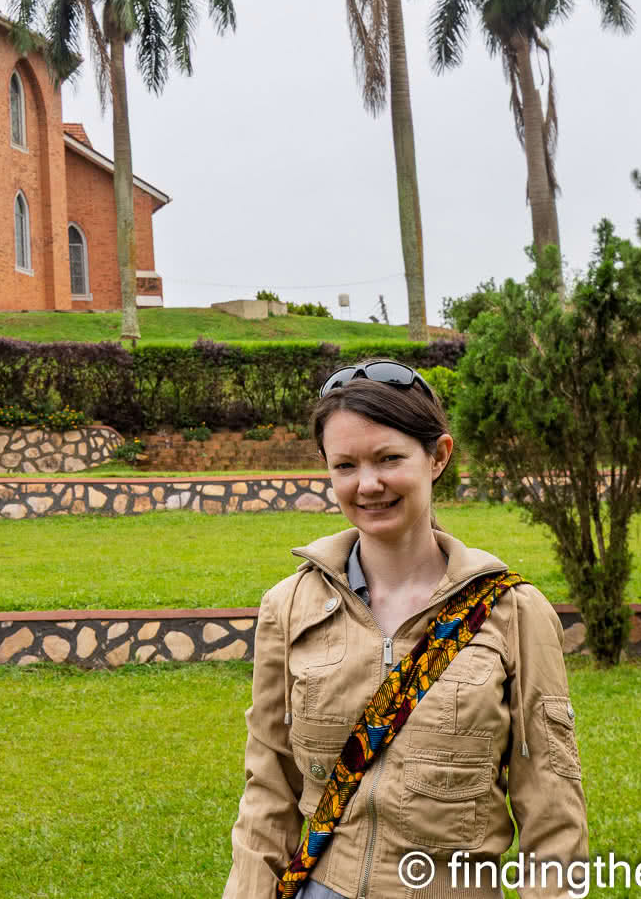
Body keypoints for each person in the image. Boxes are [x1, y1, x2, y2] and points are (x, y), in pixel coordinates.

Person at [223, 360, 588, 899]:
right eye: (344, 465)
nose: (368, 485)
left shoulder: (514, 611)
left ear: (438, 456)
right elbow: (269, 791)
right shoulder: (289, 605)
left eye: (389, 459)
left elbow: (552, 811)